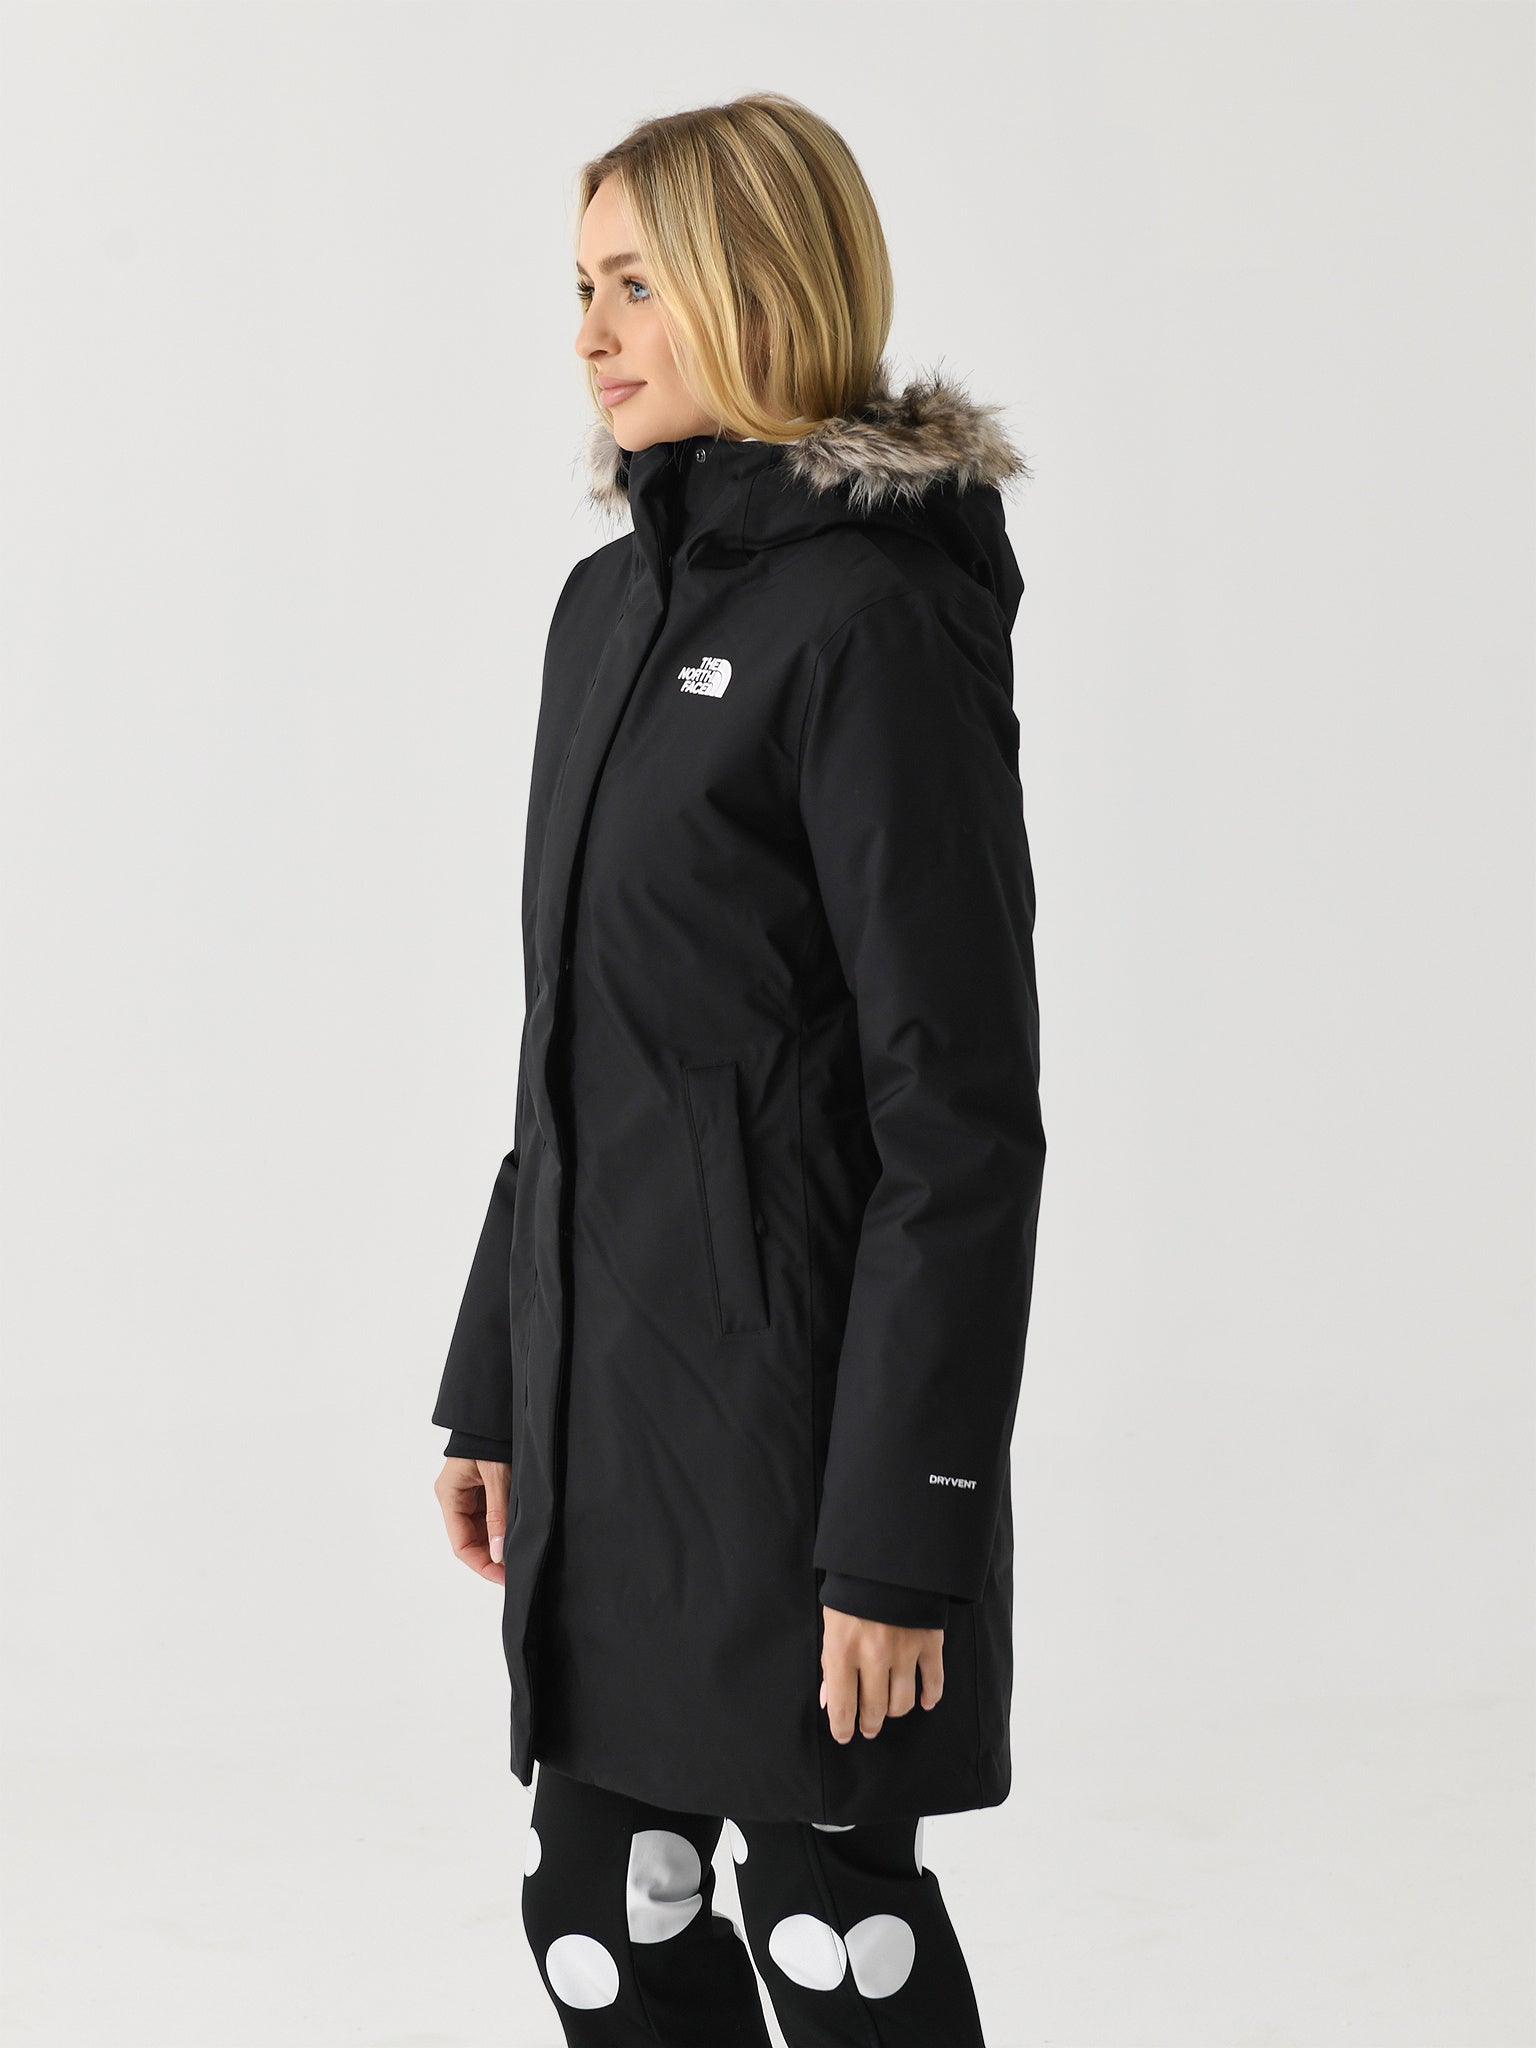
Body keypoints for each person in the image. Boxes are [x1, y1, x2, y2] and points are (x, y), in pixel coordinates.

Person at [431, 92, 1046, 2045]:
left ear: (761, 285)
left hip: (804, 1438)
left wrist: (903, 1530)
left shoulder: (874, 618)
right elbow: (572, 1041)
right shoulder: (605, 612)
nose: (590, 335)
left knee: (826, 1929)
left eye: (635, 285)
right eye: (579, 289)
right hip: (613, 1415)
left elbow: (960, 1114)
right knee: (600, 1919)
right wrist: (493, 1378)